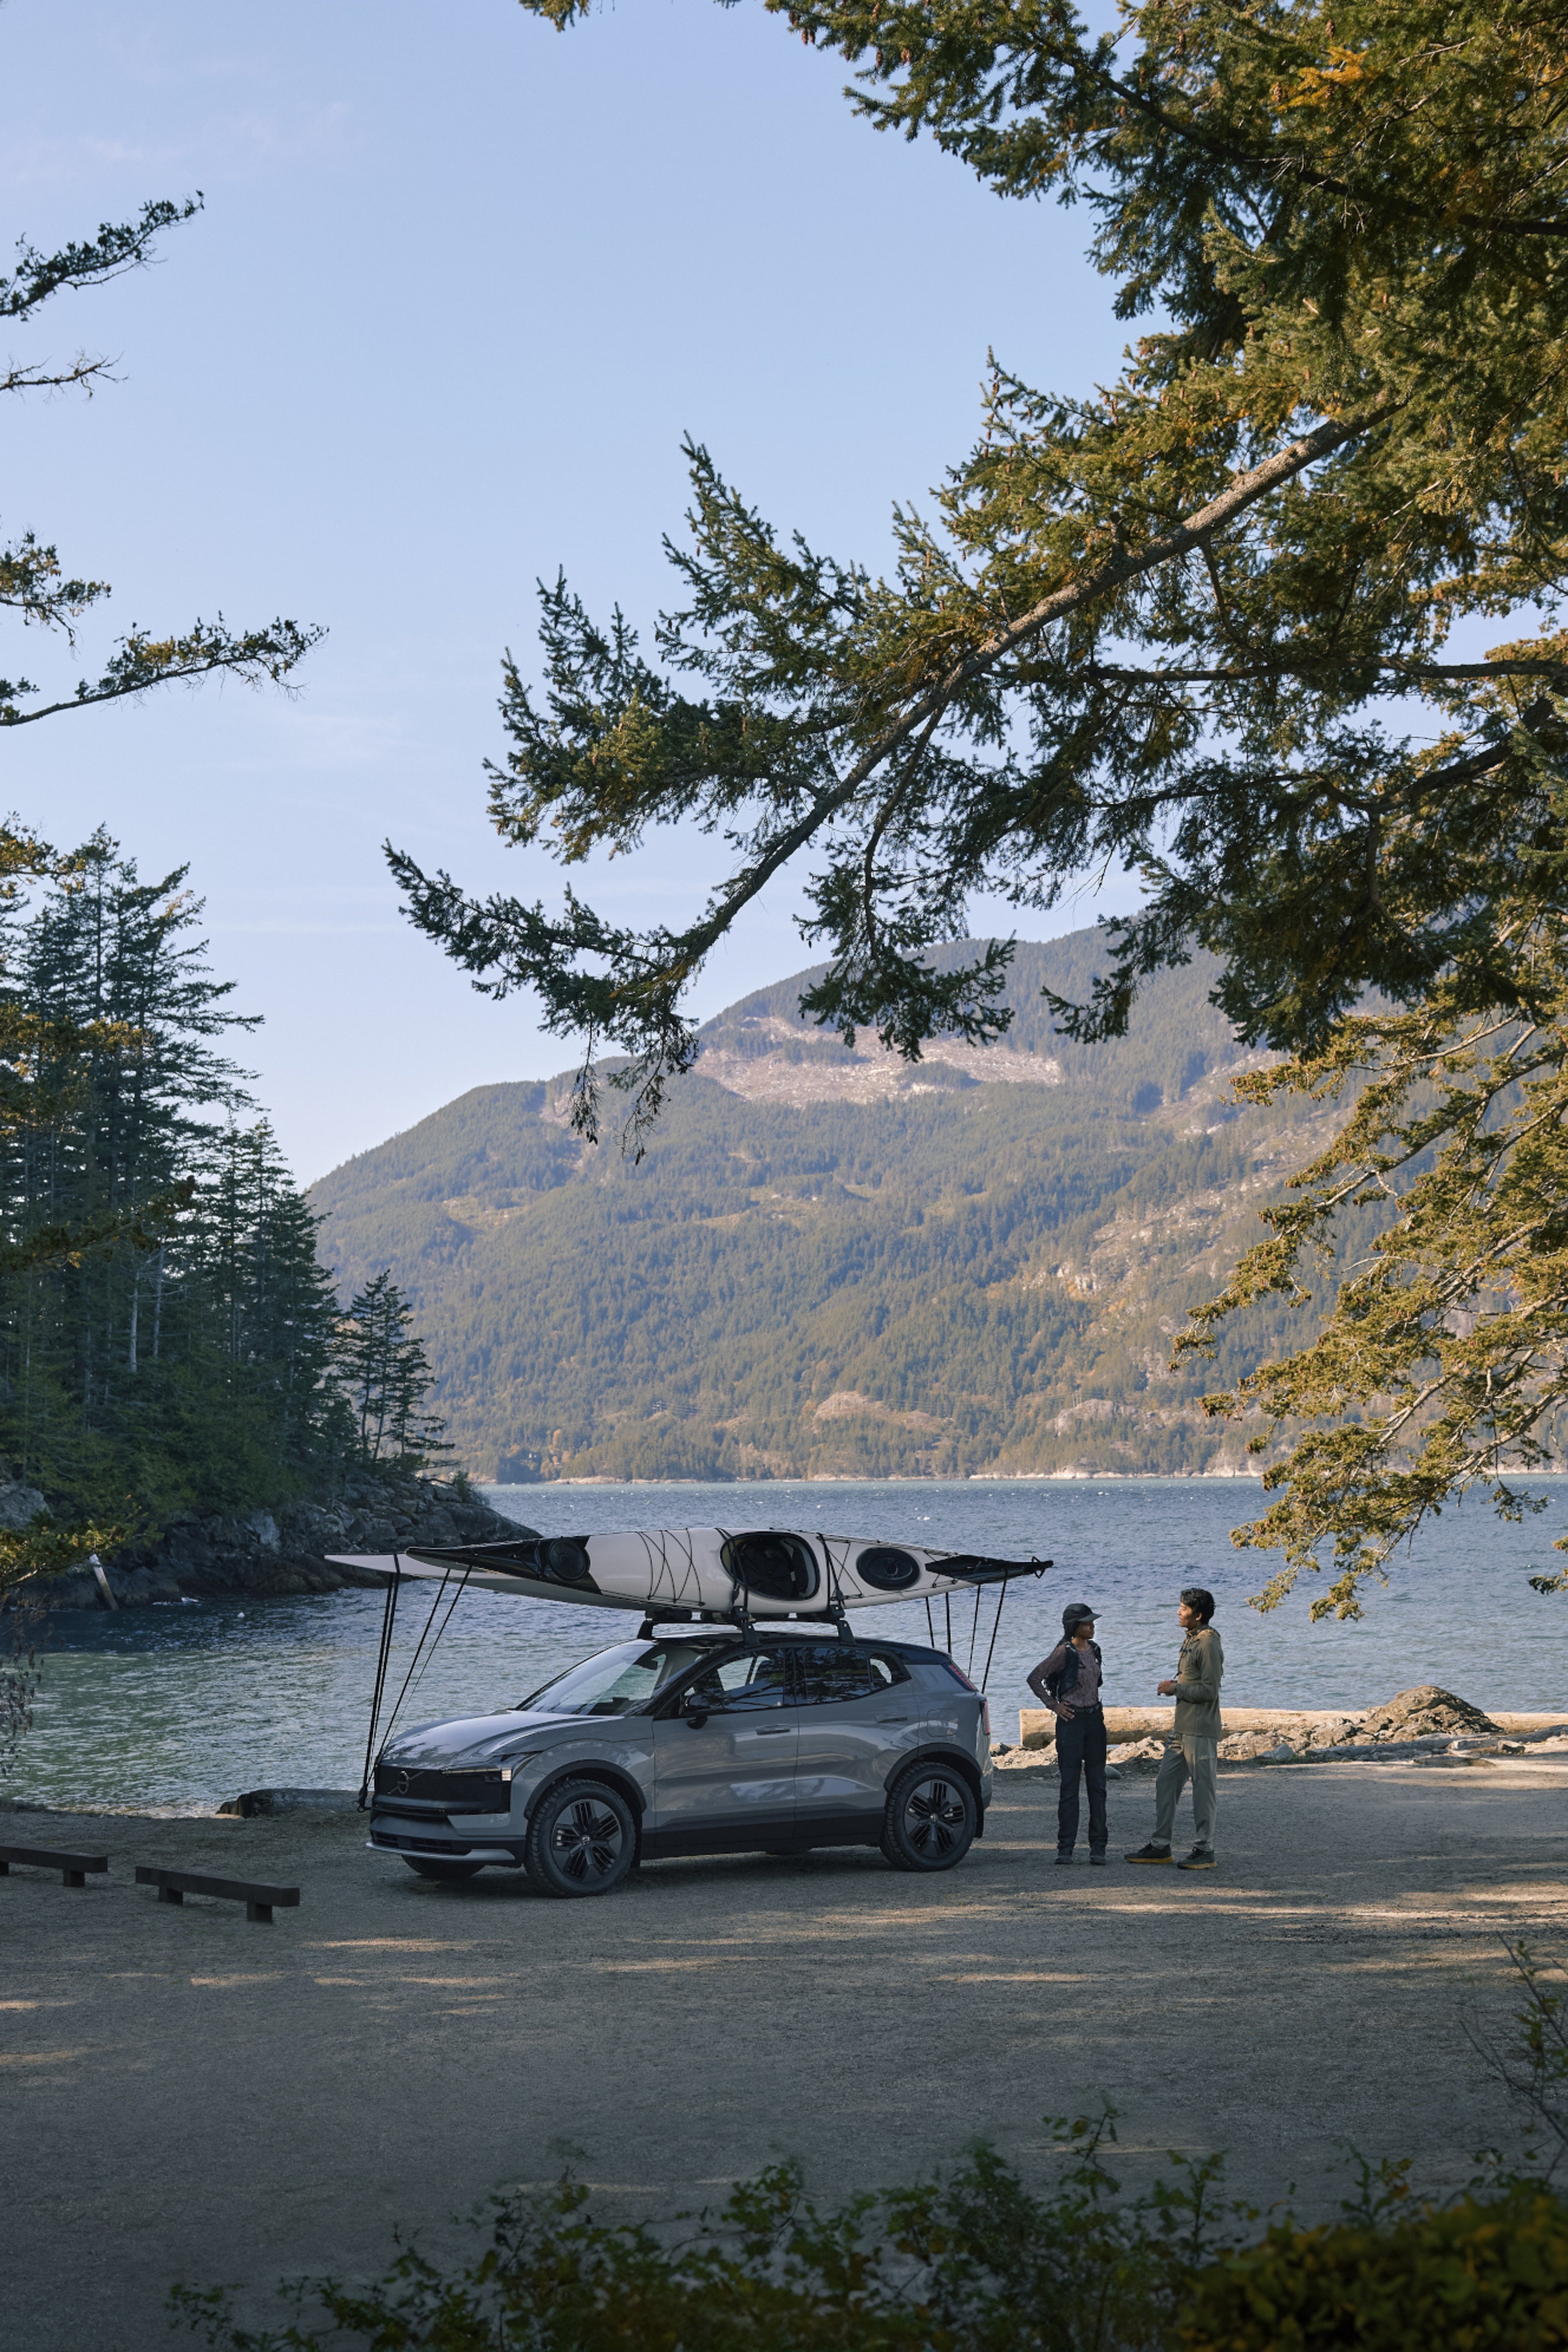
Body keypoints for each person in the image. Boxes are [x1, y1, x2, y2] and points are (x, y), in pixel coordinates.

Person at [1125, 1588, 1223, 1872]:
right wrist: (1177, 1687)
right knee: (1165, 1783)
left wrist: (1175, 1688)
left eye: (1183, 1608)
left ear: (1199, 1614)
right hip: (1181, 1730)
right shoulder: (1192, 1640)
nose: (1178, 1612)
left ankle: (1205, 1849)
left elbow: (1210, 1690)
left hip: (1200, 1730)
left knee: (1204, 1791)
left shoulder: (1208, 1644)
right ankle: (1160, 1846)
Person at [1026, 1603, 1109, 1866]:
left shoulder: (1095, 1650)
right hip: (1071, 1724)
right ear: (1075, 1627)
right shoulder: (1064, 1652)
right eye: (1087, 1623)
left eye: (1092, 1622)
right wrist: (1054, 1706)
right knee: (1069, 1788)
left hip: (1095, 1721)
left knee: (1098, 1786)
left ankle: (1099, 1848)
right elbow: (1034, 1678)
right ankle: (1066, 1848)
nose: (1093, 1626)